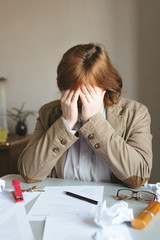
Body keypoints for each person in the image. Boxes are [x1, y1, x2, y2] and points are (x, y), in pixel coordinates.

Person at [18, 43, 152, 188]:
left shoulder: (135, 113)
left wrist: (94, 122)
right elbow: (29, 174)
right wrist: (66, 123)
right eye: (72, 92)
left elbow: (139, 176)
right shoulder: (48, 113)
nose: (80, 100)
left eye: (88, 92)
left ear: (105, 86)